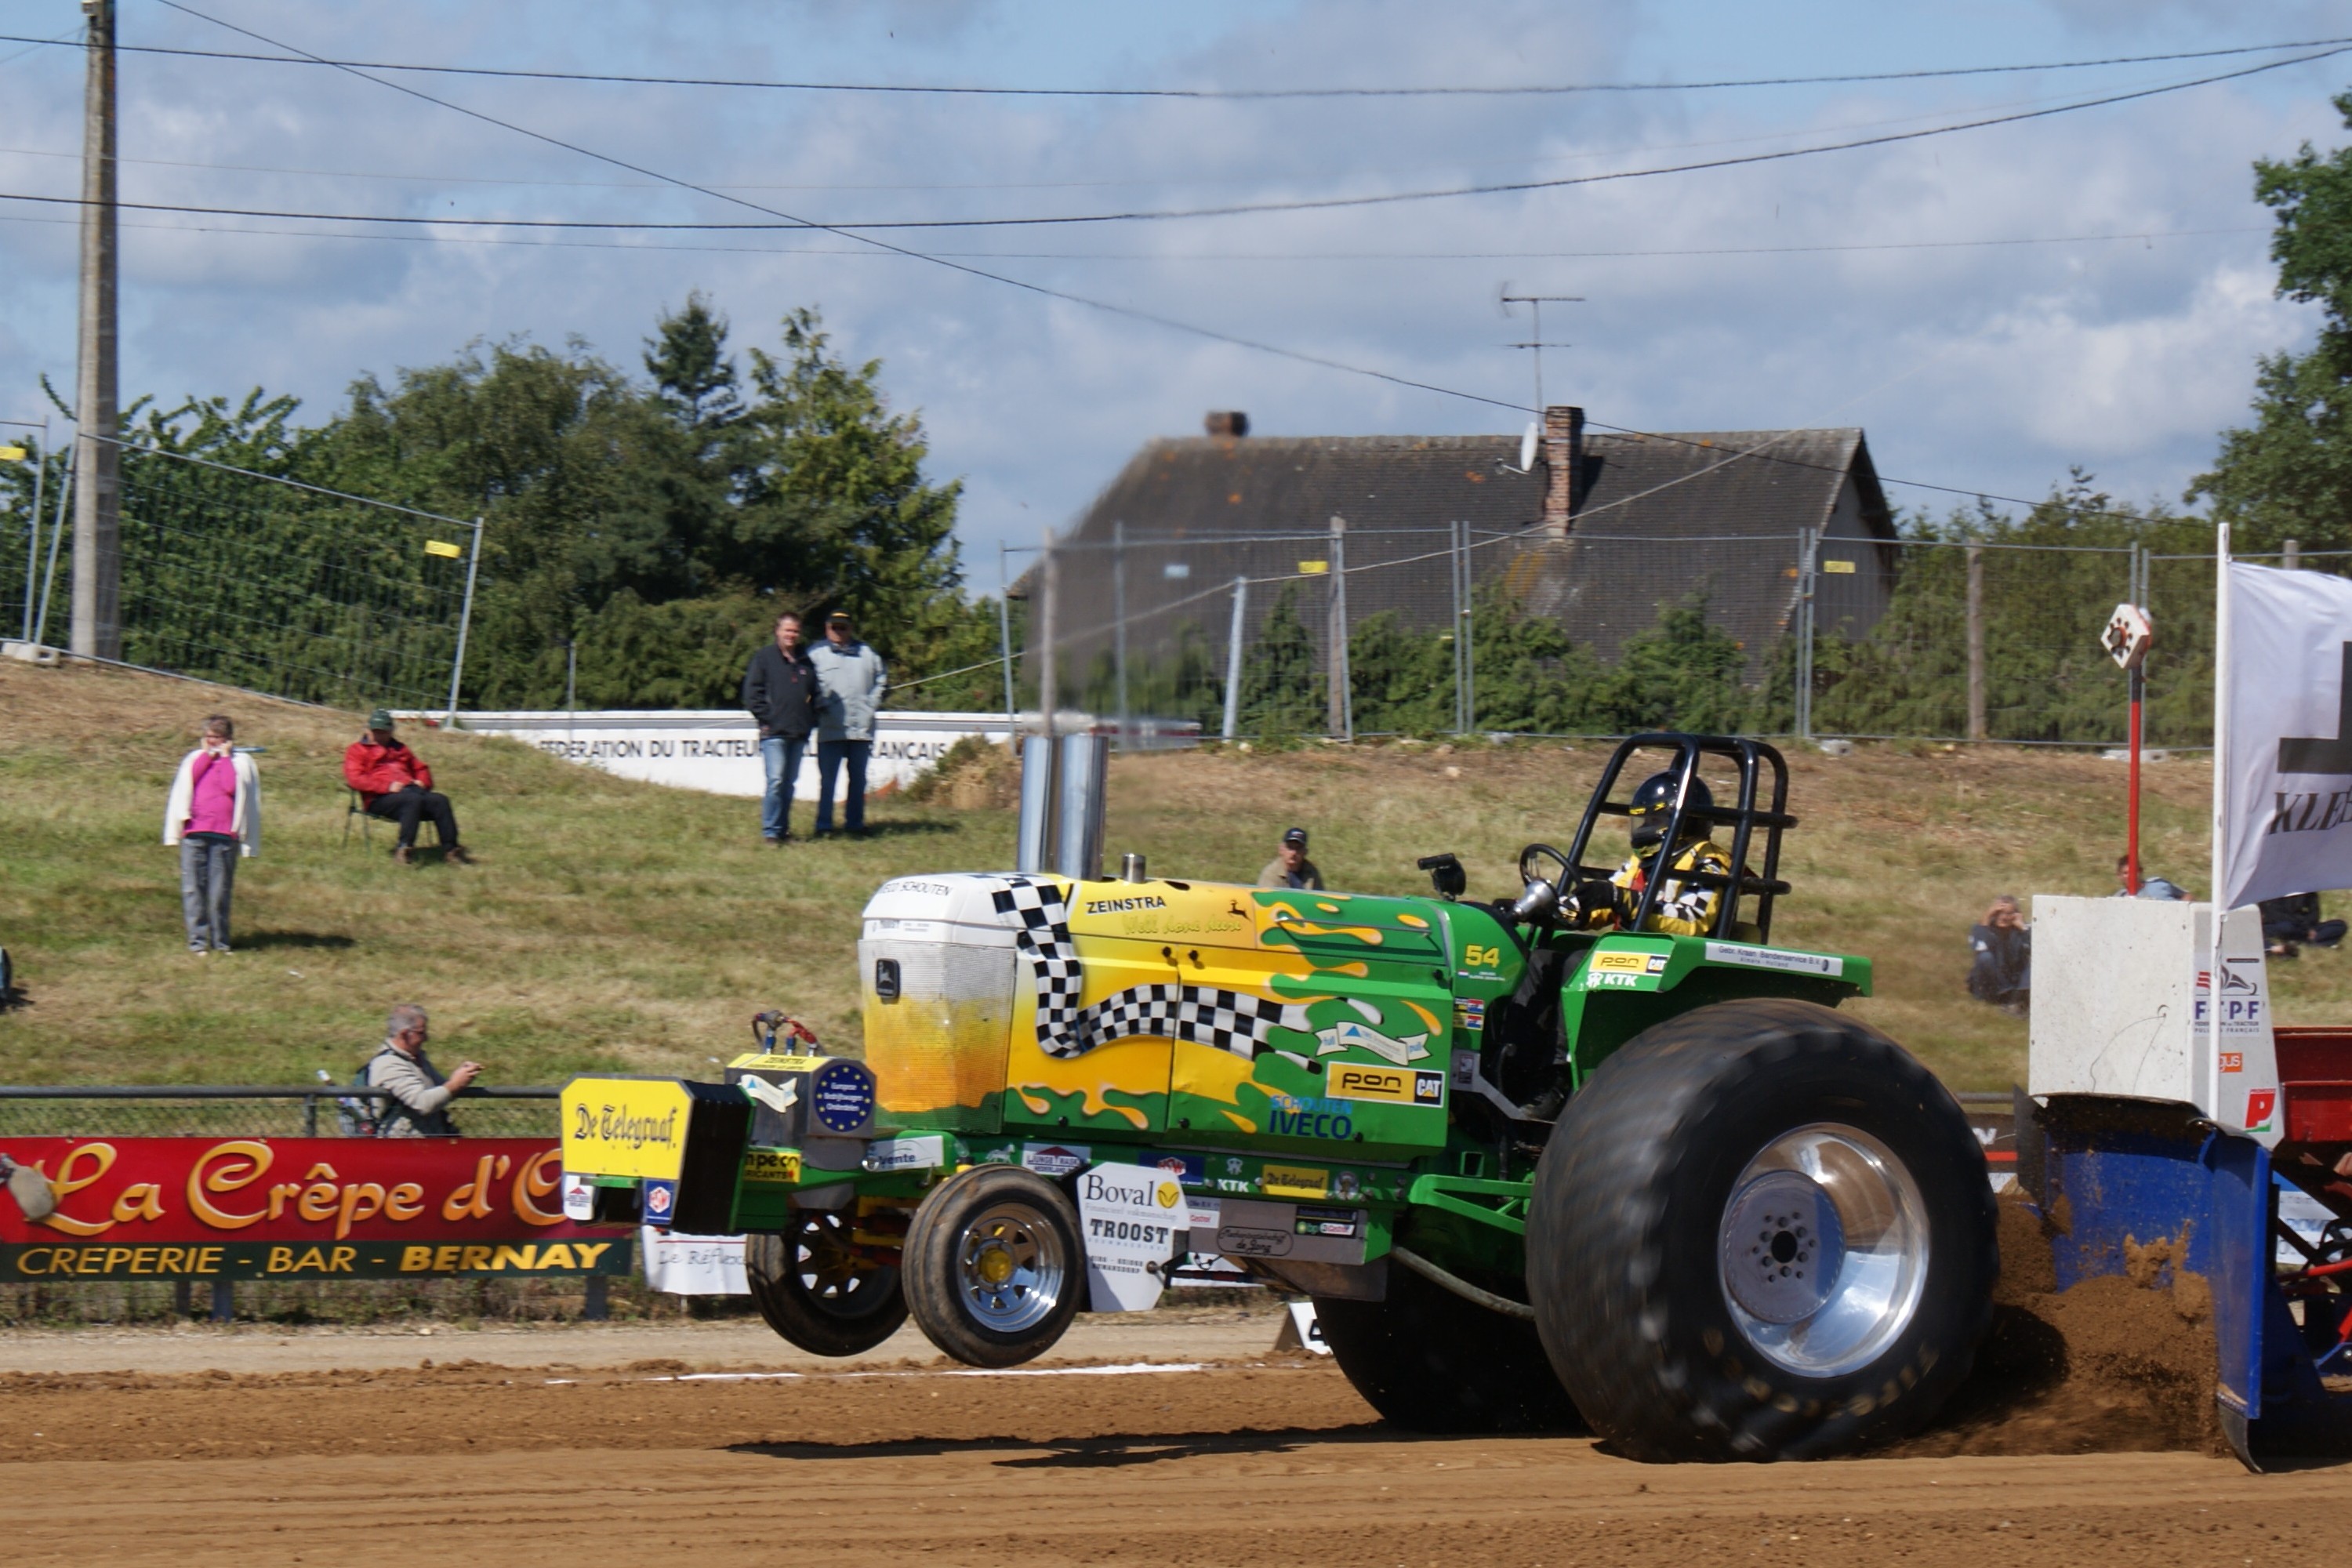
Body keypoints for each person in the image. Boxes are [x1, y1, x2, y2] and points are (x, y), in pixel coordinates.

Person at [162, 713, 261, 954]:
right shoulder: (195, 759)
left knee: (219, 891)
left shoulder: (240, 762)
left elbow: (230, 787)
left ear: (227, 739)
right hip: (196, 831)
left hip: (224, 835)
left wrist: (225, 758)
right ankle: (197, 942)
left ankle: (221, 941)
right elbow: (192, 777)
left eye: (217, 738)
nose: (212, 742)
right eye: (208, 737)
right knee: (193, 888)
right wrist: (208, 755)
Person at [1596, 771, 1733, 937]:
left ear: (1686, 823)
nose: (1645, 828)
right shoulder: (1640, 862)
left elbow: (1691, 920)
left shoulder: (1708, 863)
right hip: (1636, 950)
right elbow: (1612, 895)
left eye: (1655, 821)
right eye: (1644, 821)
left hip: (1678, 954)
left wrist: (1628, 902)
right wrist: (1575, 907)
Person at [343, 708, 471, 866]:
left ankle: (452, 851)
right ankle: (404, 849)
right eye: (375, 731)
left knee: (440, 801)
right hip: (379, 799)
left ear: (391, 731)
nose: (379, 735)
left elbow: (420, 768)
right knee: (412, 800)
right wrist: (388, 786)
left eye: (383, 731)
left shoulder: (401, 749)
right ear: (368, 730)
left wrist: (423, 782)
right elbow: (355, 779)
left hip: (411, 791)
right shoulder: (356, 750)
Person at [742, 611, 820, 845]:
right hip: (773, 733)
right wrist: (769, 718)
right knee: (775, 781)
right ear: (778, 631)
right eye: (788, 630)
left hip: (798, 733)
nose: (792, 635)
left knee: (789, 784)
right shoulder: (764, 658)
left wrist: (811, 718)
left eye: (795, 630)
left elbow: (815, 694)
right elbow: (751, 694)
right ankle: (770, 832)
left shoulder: (806, 661)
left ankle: (783, 830)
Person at [808, 610, 887, 837]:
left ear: (851, 628)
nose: (839, 632)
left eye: (843, 627)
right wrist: (818, 703)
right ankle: (824, 826)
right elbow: (805, 681)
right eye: (835, 627)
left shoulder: (867, 654)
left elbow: (881, 679)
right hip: (830, 728)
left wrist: (871, 704)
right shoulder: (816, 654)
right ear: (827, 628)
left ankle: (855, 824)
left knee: (858, 779)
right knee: (828, 781)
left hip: (861, 729)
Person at [365, 1004, 481, 1137]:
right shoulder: (388, 1064)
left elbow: (441, 1091)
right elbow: (422, 1103)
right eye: (421, 1033)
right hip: (402, 1149)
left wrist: (461, 1077)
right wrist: (455, 1084)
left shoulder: (416, 1058)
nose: (426, 1038)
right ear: (404, 1034)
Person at [1969, 895, 2031, 1015]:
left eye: (2008, 913)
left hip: (2014, 981)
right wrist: (1986, 919)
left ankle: (2018, 999)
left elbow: (2037, 948)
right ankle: (2010, 998)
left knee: (2033, 962)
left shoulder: (2021, 930)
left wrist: (2023, 928)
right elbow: (1979, 947)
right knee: (1985, 957)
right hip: (1991, 985)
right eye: (1999, 913)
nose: (2003, 917)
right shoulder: (1981, 929)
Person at [2259, 891, 2347, 960]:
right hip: (2280, 926)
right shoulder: (2274, 889)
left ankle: (2304, 944)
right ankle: (2318, 943)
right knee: (2286, 927)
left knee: (2340, 925)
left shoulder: (2308, 890)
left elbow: (2314, 913)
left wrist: (2309, 928)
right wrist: (2305, 927)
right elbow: (2276, 916)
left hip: (2303, 929)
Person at [1258, 826, 1324, 890]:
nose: (1294, 853)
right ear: (1281, 850)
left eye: (1298, 848)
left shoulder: (1312, 873)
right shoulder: (1271, 873)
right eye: (1290, 847)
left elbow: (1320, 898)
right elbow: (1265, 900)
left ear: (1305, 852)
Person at [2113, 855, 2191, 902]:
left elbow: (2187, 896)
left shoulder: (2158, 884)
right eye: (2126, 873)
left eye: (2134, 872)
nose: (2131, 876)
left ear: (2140, 871)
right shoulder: (2120, 898)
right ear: (2119, 876)